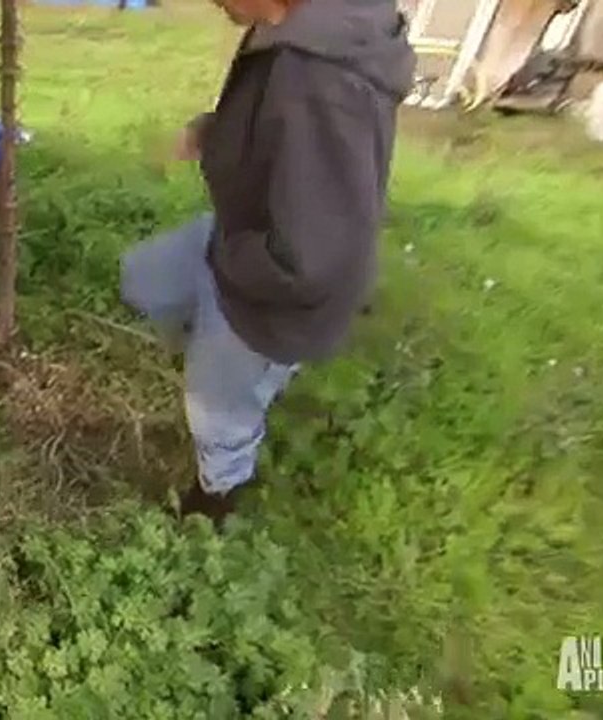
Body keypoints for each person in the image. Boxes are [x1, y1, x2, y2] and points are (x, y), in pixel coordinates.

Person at [120, 0, 415, 521]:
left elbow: (312, 260)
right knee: (141, 278)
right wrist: (215, 133)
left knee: (216, 415)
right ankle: (217, 363)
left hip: (273, 291)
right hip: (252, 242)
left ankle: (214, 497)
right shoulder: (295, 27)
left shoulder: (320, 84)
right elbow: (278, 128)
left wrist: (232, 262)